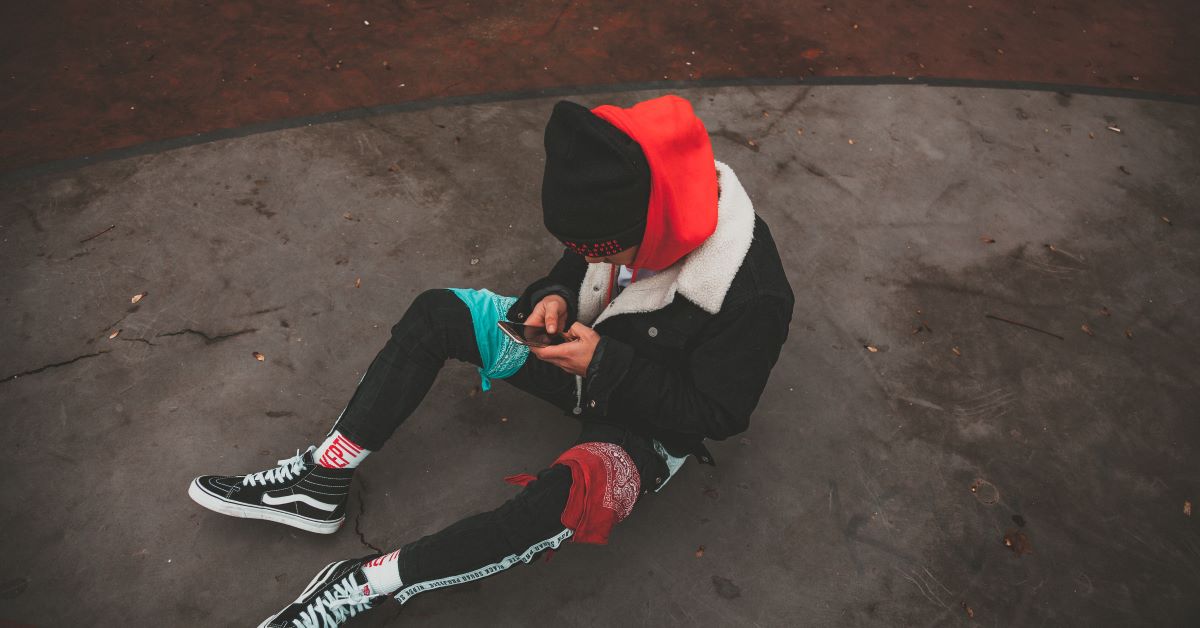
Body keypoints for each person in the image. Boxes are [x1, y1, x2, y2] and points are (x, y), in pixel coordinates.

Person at [188, 94, 795, 627]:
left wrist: (607, 366)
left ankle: (368, 583)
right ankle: (321, 479)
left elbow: (717, 412)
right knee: (440, 312)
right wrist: (553, 296)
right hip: (578, 351)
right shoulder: (628, 193)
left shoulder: (752, 292)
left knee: (561, 503)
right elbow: (576, 264)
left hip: (649, 424)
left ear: (660, 218)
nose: (604, 261)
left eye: (614, 252)